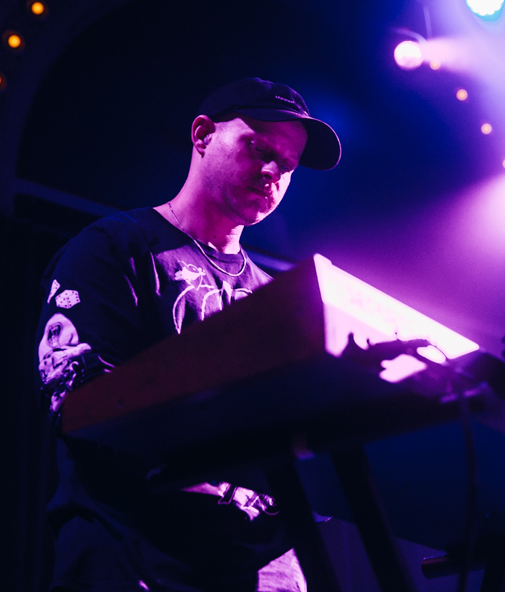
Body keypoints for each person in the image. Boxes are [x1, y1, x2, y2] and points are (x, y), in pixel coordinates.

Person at [34, 78, 342, 592]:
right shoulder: (114, 248)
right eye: (258, 148)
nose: (272, 173)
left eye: (286, 166)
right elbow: (80, 402)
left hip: (264, 574)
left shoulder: (276, 299)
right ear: (202, 135)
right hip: (137, 561)